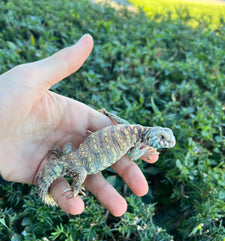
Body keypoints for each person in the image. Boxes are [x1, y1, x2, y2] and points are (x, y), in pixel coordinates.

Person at [0, 34, 159, 216]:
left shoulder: (134, 130)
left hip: (72, 155)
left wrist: (108, 114)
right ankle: (75, 190)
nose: (163, 141)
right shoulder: (135, 135)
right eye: (161, 137)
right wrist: (144, 151)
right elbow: (132, 152)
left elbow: (122, 125)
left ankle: (62, 174)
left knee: (76, 165)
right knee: (82, 174)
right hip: (77, 162)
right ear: (153, 133)